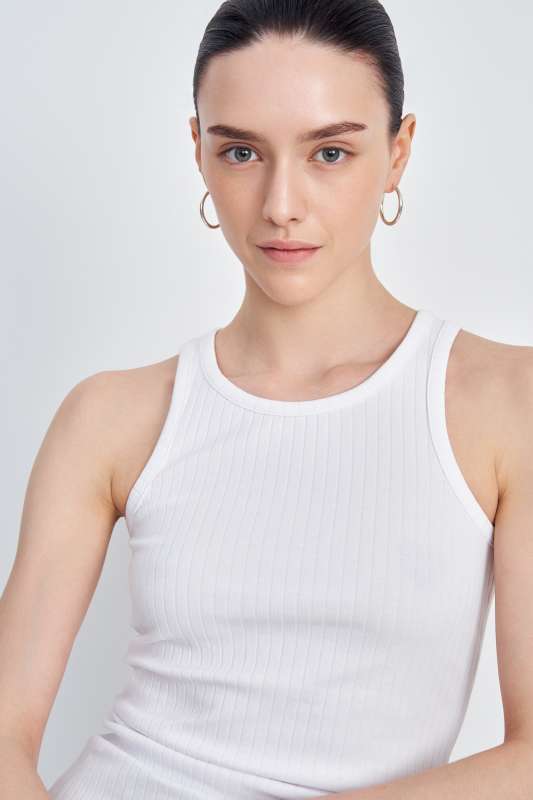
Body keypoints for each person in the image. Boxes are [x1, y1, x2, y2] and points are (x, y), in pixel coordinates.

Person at [2, 1, 533, 799]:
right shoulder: (111, 417)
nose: (281, 203)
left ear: (397, 153)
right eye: (242, 151)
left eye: (329, 152)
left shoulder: (505, 402)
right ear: (199, 153)